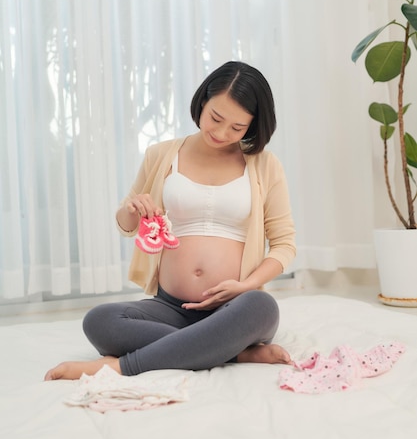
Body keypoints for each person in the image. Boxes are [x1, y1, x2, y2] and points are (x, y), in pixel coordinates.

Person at [45, 61, 296, 381]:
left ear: (253, 125)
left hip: (234, 308)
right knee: (100, 320)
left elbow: (285, 244)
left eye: (237, 128)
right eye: (215, 118)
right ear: (203, 100)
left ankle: (120, 367)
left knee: (261, 307)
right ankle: (233, 352)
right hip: (170, 309)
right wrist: (132, 209)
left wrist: (245, 286)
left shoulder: (265, 165)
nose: (221, 133)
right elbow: (126, 224)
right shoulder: (161, 154)